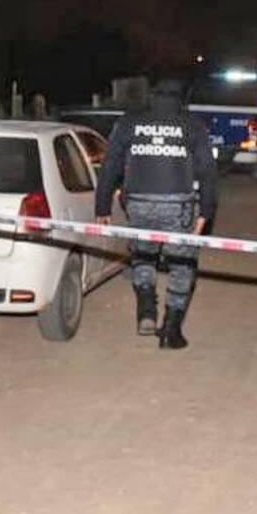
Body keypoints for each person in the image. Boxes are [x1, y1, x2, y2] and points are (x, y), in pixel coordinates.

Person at [94, 77, 217, 349]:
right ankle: (171, 331)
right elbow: (207, 171)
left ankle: (146, 310)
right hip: (178, 205)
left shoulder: (129, 121)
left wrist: (102, 206)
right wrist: (205, 212)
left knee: (143, 255)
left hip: (137, 201)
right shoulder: (191, 124)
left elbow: (110, 164)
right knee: (182, 264)